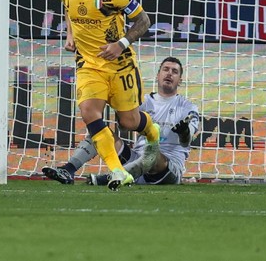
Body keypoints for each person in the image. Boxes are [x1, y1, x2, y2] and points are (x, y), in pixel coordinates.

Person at [54, 0, 157, 191]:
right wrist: (70, 34)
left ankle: (154, 134)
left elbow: (144, 20)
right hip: (89, 64)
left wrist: (121, 43)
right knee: (89, 111)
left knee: (129, 122)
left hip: (120, 65)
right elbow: (70, 8)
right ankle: (118, 171)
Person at [43, 57, 200, 186]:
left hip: (166, 168)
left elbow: (187, 142)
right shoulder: (143, 102)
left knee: (153, 153)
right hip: (134, 158)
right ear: (157, 75)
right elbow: (124, 127)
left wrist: (184, 132)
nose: (169, 74)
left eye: (174, 72)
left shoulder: (187, 107)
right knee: (99, 133)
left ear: (180, 80)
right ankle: (68, 170)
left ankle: (110, 177)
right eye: (165, 69)